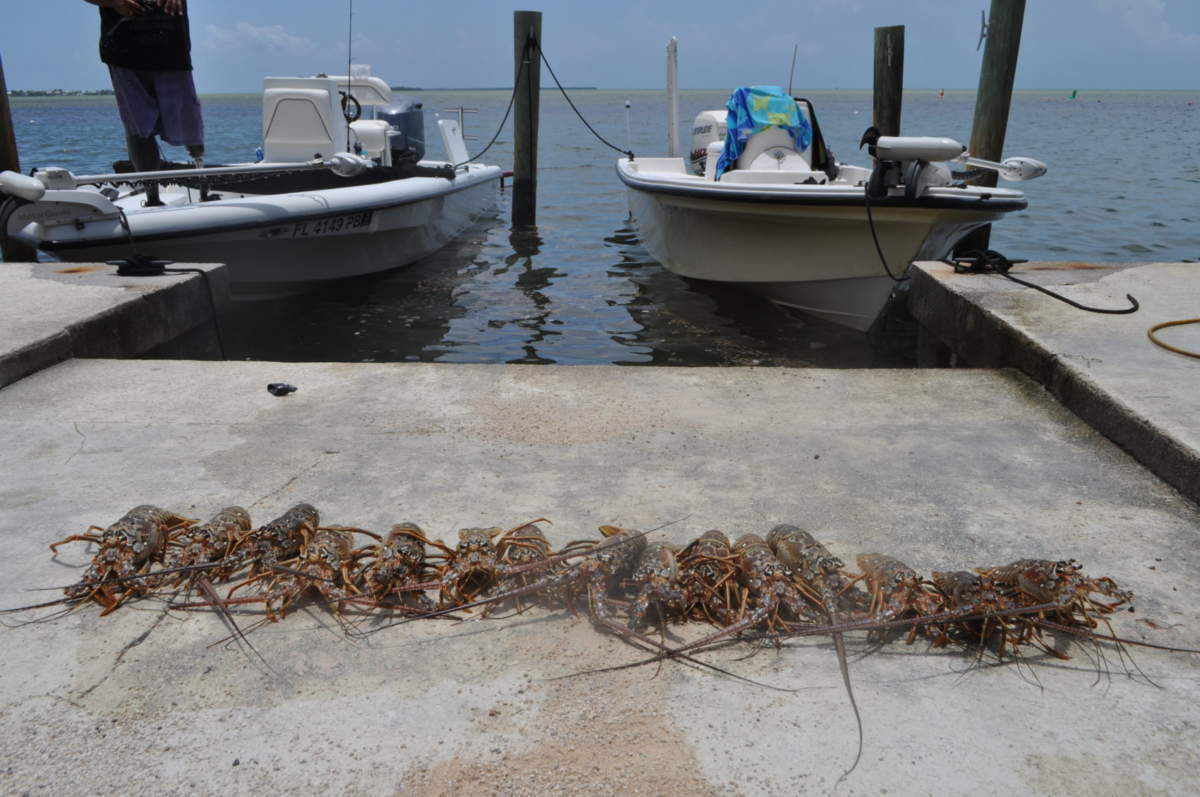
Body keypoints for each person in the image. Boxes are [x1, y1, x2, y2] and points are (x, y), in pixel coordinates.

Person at [85, 0, 204, 206]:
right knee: (139, 127)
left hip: (172, 50)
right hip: (124, 51)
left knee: (189, 120)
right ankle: (152, 198)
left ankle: (205, 187)